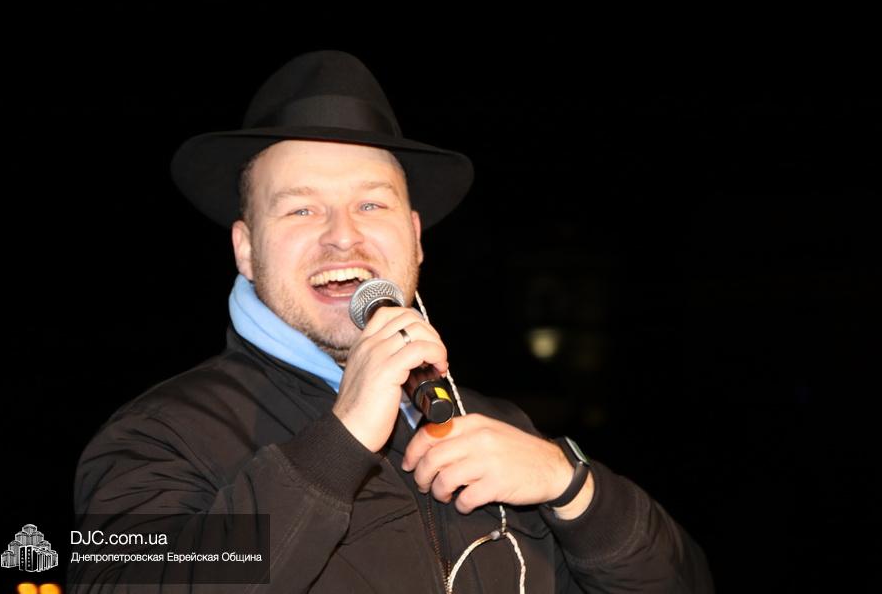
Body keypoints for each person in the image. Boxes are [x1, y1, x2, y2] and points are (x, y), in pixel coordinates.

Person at [70, 50, 714, 593]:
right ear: (245, 248)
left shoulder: (499, 424)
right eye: (300, 210)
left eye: (371, 205)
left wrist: (572, 489)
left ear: (415, 237)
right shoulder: (157, 434)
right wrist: (339, 442)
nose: (342, 236)